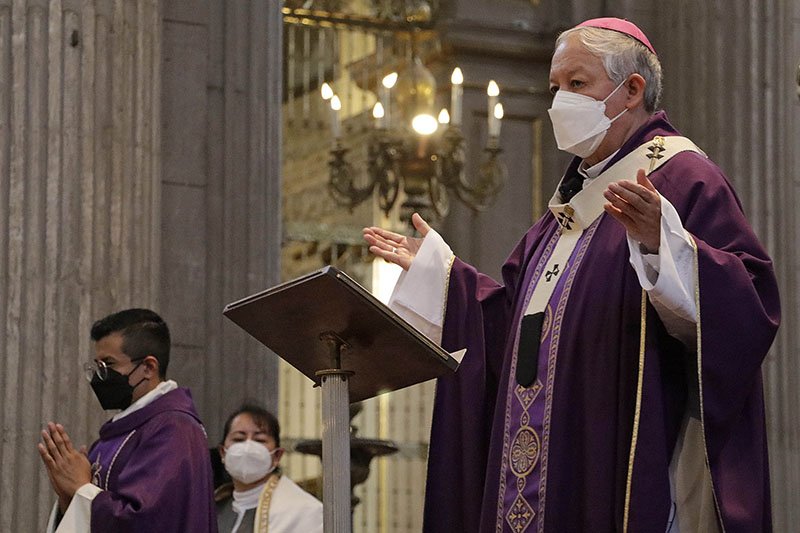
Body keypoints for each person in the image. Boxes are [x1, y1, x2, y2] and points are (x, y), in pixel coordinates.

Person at [364, 17, 779, 533]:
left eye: (577, 85)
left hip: (621, 459)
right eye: (555, 87)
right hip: (545, 466)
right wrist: (441, 276)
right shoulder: (563, 213)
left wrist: (664, 245)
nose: (560, 101)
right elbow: (511, 324)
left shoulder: (683, 178)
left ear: (631, 90)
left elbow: (749, 307)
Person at [37, 308, 217, 532]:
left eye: (108, 365)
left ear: (148, 367)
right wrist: (69, 498)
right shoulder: (120, 432)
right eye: (97, 366)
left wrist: (81, 488)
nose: (99, 377)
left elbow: (148, 522)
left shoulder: (174, 429)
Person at [215, 404, 323, 533]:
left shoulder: (302, 511)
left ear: (277, 456)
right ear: (223, 452)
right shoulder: (212, 508)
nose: (248, 447)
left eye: (259, 440)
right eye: (239, 439)